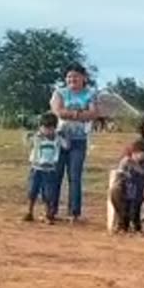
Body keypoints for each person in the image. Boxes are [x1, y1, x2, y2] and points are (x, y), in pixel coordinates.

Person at [48, 64, 97, 223]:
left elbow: (93, 113)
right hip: (60, 139)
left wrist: (70, 114)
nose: (72, 79)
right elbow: (58, 111)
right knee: (55, 175)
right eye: (69, 76)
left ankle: (74, 212)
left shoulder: (90, 93)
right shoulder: (59, 92)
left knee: (75, 176)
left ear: (84, 78)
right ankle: (51, 210)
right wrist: (79, 114)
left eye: (75, 76)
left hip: (79, 140)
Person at [109, 139, 144, 234]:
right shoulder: (127, 161)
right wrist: (122, 168)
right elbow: (119, 176)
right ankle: (122, 223)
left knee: (135, 202)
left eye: (141, 153)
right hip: (128, 187)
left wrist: (135, 166)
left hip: (143, 187)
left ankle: (139, 225)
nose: (138, 155)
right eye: (135, 153)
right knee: (116, 191)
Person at [23, 112, 62, 223]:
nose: (47, 131)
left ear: (55, 128)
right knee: (32, 191)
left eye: (50, 129)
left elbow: (66, 145)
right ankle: (29, 212)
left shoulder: (57, 139)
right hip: (36, 168)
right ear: (40, 127)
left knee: (48, 194)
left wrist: (60, 135)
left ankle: (47, 214)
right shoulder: (37, 138)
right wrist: (31, 135)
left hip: (49, 170)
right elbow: (26, 141)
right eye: (45, 128)